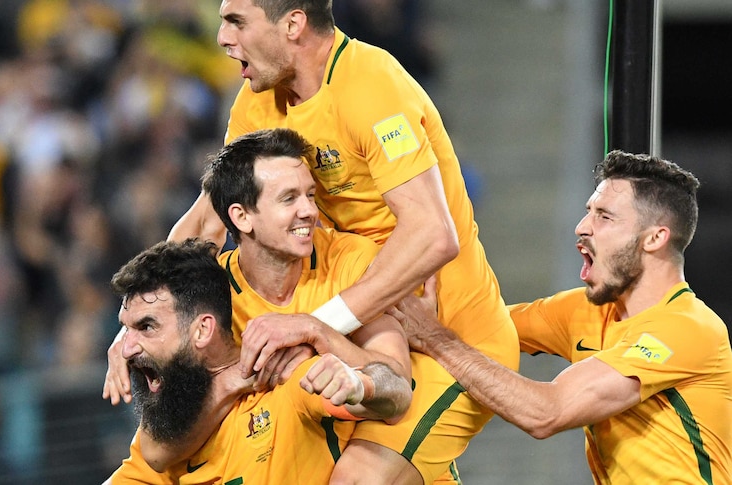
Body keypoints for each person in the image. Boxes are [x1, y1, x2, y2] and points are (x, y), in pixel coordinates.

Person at [104, 0, 520, 480]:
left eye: (237, 21)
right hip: (360, 328)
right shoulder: (257, 100)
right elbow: (206, 222)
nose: (220, 37)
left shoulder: (371, 86)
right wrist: (141, 324)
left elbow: (432, 235)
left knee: (353, 476)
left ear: (293, 24)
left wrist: (314, 326)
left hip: (450, 340)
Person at [110, 128, 473, 484]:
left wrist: (316, 332)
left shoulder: (350, 262)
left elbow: (395, 384)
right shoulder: (209, 294)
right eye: (289, 199)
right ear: (241, 217)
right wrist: (236, 378)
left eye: (310, 195)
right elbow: (157, 450)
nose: (309, 212)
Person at [390, 150, 732, 484]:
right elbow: (480, 328)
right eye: (588, 212)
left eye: (604, 216)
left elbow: (546, 413)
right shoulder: (585, 310)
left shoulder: (688, 328)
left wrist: (434, 337)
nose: (582, 227)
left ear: (655, 238)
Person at [104, 238, 411, 485]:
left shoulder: (286, 377)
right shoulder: (175, 421)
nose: (125, 348)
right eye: (125, 329)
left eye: (146, 327)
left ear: (202, 330)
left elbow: (396, 391)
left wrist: (359, 384)